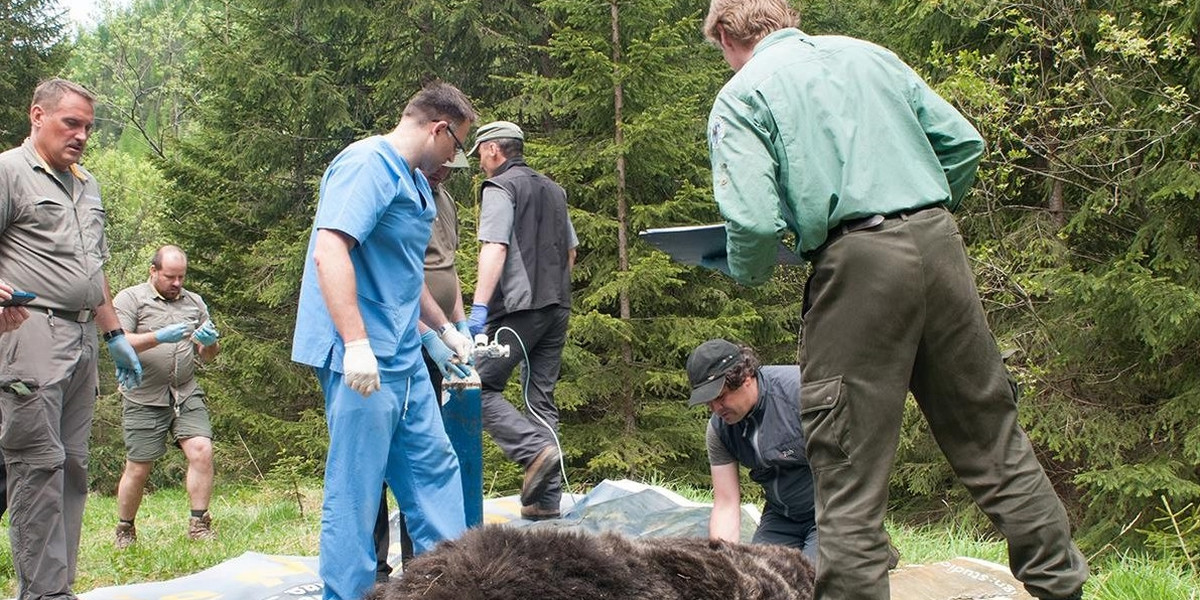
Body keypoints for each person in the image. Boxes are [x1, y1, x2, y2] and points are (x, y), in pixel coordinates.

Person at [700, 2, 1090, 599]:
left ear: (726, 35)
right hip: (940, 246)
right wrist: (917, 212)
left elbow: (750, 226)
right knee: (993, 437)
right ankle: (1062, 587)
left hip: (855, 264)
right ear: (786, 16)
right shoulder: (871, 56)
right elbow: (963, 144)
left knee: (848, 469)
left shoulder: (742, 94)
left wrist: (751, 269)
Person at [291, 81, 476, 600]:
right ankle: (346, 594)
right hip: (363, 361)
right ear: (439, 129)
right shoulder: (366, 164)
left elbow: (403, 273)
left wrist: (441, 331)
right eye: (456, 145)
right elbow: (331, 250)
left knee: (436, 467)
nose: (453, 159)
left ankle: (454, 586)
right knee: (358, 486)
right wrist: (354, 343)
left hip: (403, 354)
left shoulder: (416, 183)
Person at [0, 78, 143, 600]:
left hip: (84, 336)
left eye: (88, 126)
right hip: (28, 330)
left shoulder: (87, 183)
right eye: (71, 123)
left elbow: (93, 269)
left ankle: (59, 586)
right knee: (38, 466)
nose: (82, 135)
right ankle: (41, 593)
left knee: (73, 468)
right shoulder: (9, 172)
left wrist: (115, 334)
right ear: (37, 116)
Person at [465, 121, 577, 521]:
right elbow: (570, 252)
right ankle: (545, 502)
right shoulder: (554, 190)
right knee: (540, 397)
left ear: (494, 149)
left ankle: (533, 452)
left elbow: (494, 246)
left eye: (480, 152)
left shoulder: (500, 188)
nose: (479, 162)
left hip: (515, 312)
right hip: (557, 307)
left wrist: (479, 309)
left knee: (475, 387)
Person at [372, 152, 474, 581]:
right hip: (387, 343)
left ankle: (424, 566)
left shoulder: (442, 200)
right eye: (441, 166)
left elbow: (443, 271)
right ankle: (374, 566)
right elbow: (390, 282)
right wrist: (430, 334)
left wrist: (461, 326)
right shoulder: (394, 195)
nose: (444, 174)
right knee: (375, 456)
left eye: (452, 171)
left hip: (435, 339)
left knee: (426, 453)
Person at [110, 245, 222, 548]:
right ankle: (125, 529)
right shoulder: (131, 299)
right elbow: (120, 342)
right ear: (153, 271)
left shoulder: (194, 302)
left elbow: (208, 355)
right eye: (170, 277)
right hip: (143, 395)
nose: (176, 284)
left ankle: (199, 524)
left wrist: (209, 343)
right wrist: (159, 336)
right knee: (139, 465)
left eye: (181, 277)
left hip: (184, 391)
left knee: (202, 450)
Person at [686, 339, 816, 562]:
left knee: (814, 583)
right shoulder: (719, 430)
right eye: (708, 402)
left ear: (745, 378)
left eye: (720, 397)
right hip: (780, 517)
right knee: (757, 580)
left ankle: (872, 547)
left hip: (828, 512)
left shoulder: (801, 395)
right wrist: (722, 566)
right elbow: (726, 504)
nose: (716, 409)